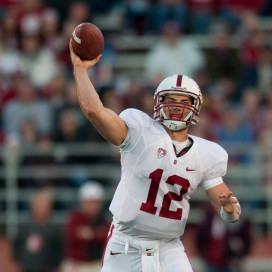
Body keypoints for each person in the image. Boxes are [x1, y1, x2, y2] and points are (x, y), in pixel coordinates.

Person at [69, 40, 241, 272]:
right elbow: (94, 111)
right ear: (159, 102)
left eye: (184, 101)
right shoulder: (139, 130)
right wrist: (80, 69)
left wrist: (229, 210)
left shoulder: (208, 153)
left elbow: (227, 212)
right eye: (171, 100)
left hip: (169, 246)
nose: (177, 106)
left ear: (196, 107)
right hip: (125, 242)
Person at [62, 181, 110, 272]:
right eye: (89, 202)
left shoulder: (104, 220)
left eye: (95, 202)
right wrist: (97, 234)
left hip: (96, 263)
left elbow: (107, 238)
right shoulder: (75, 218)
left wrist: (90, 235)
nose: (92, 206)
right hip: (77, 263)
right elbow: (72, 238)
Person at [13, 188, 63, 272]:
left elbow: (59, 251)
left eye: (44, 205)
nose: (41, 209)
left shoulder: (55, 230)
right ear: (32, 206)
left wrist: (52, 265)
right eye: (39, 205)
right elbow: (16, 249)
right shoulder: (24, 228)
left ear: (50, 207)